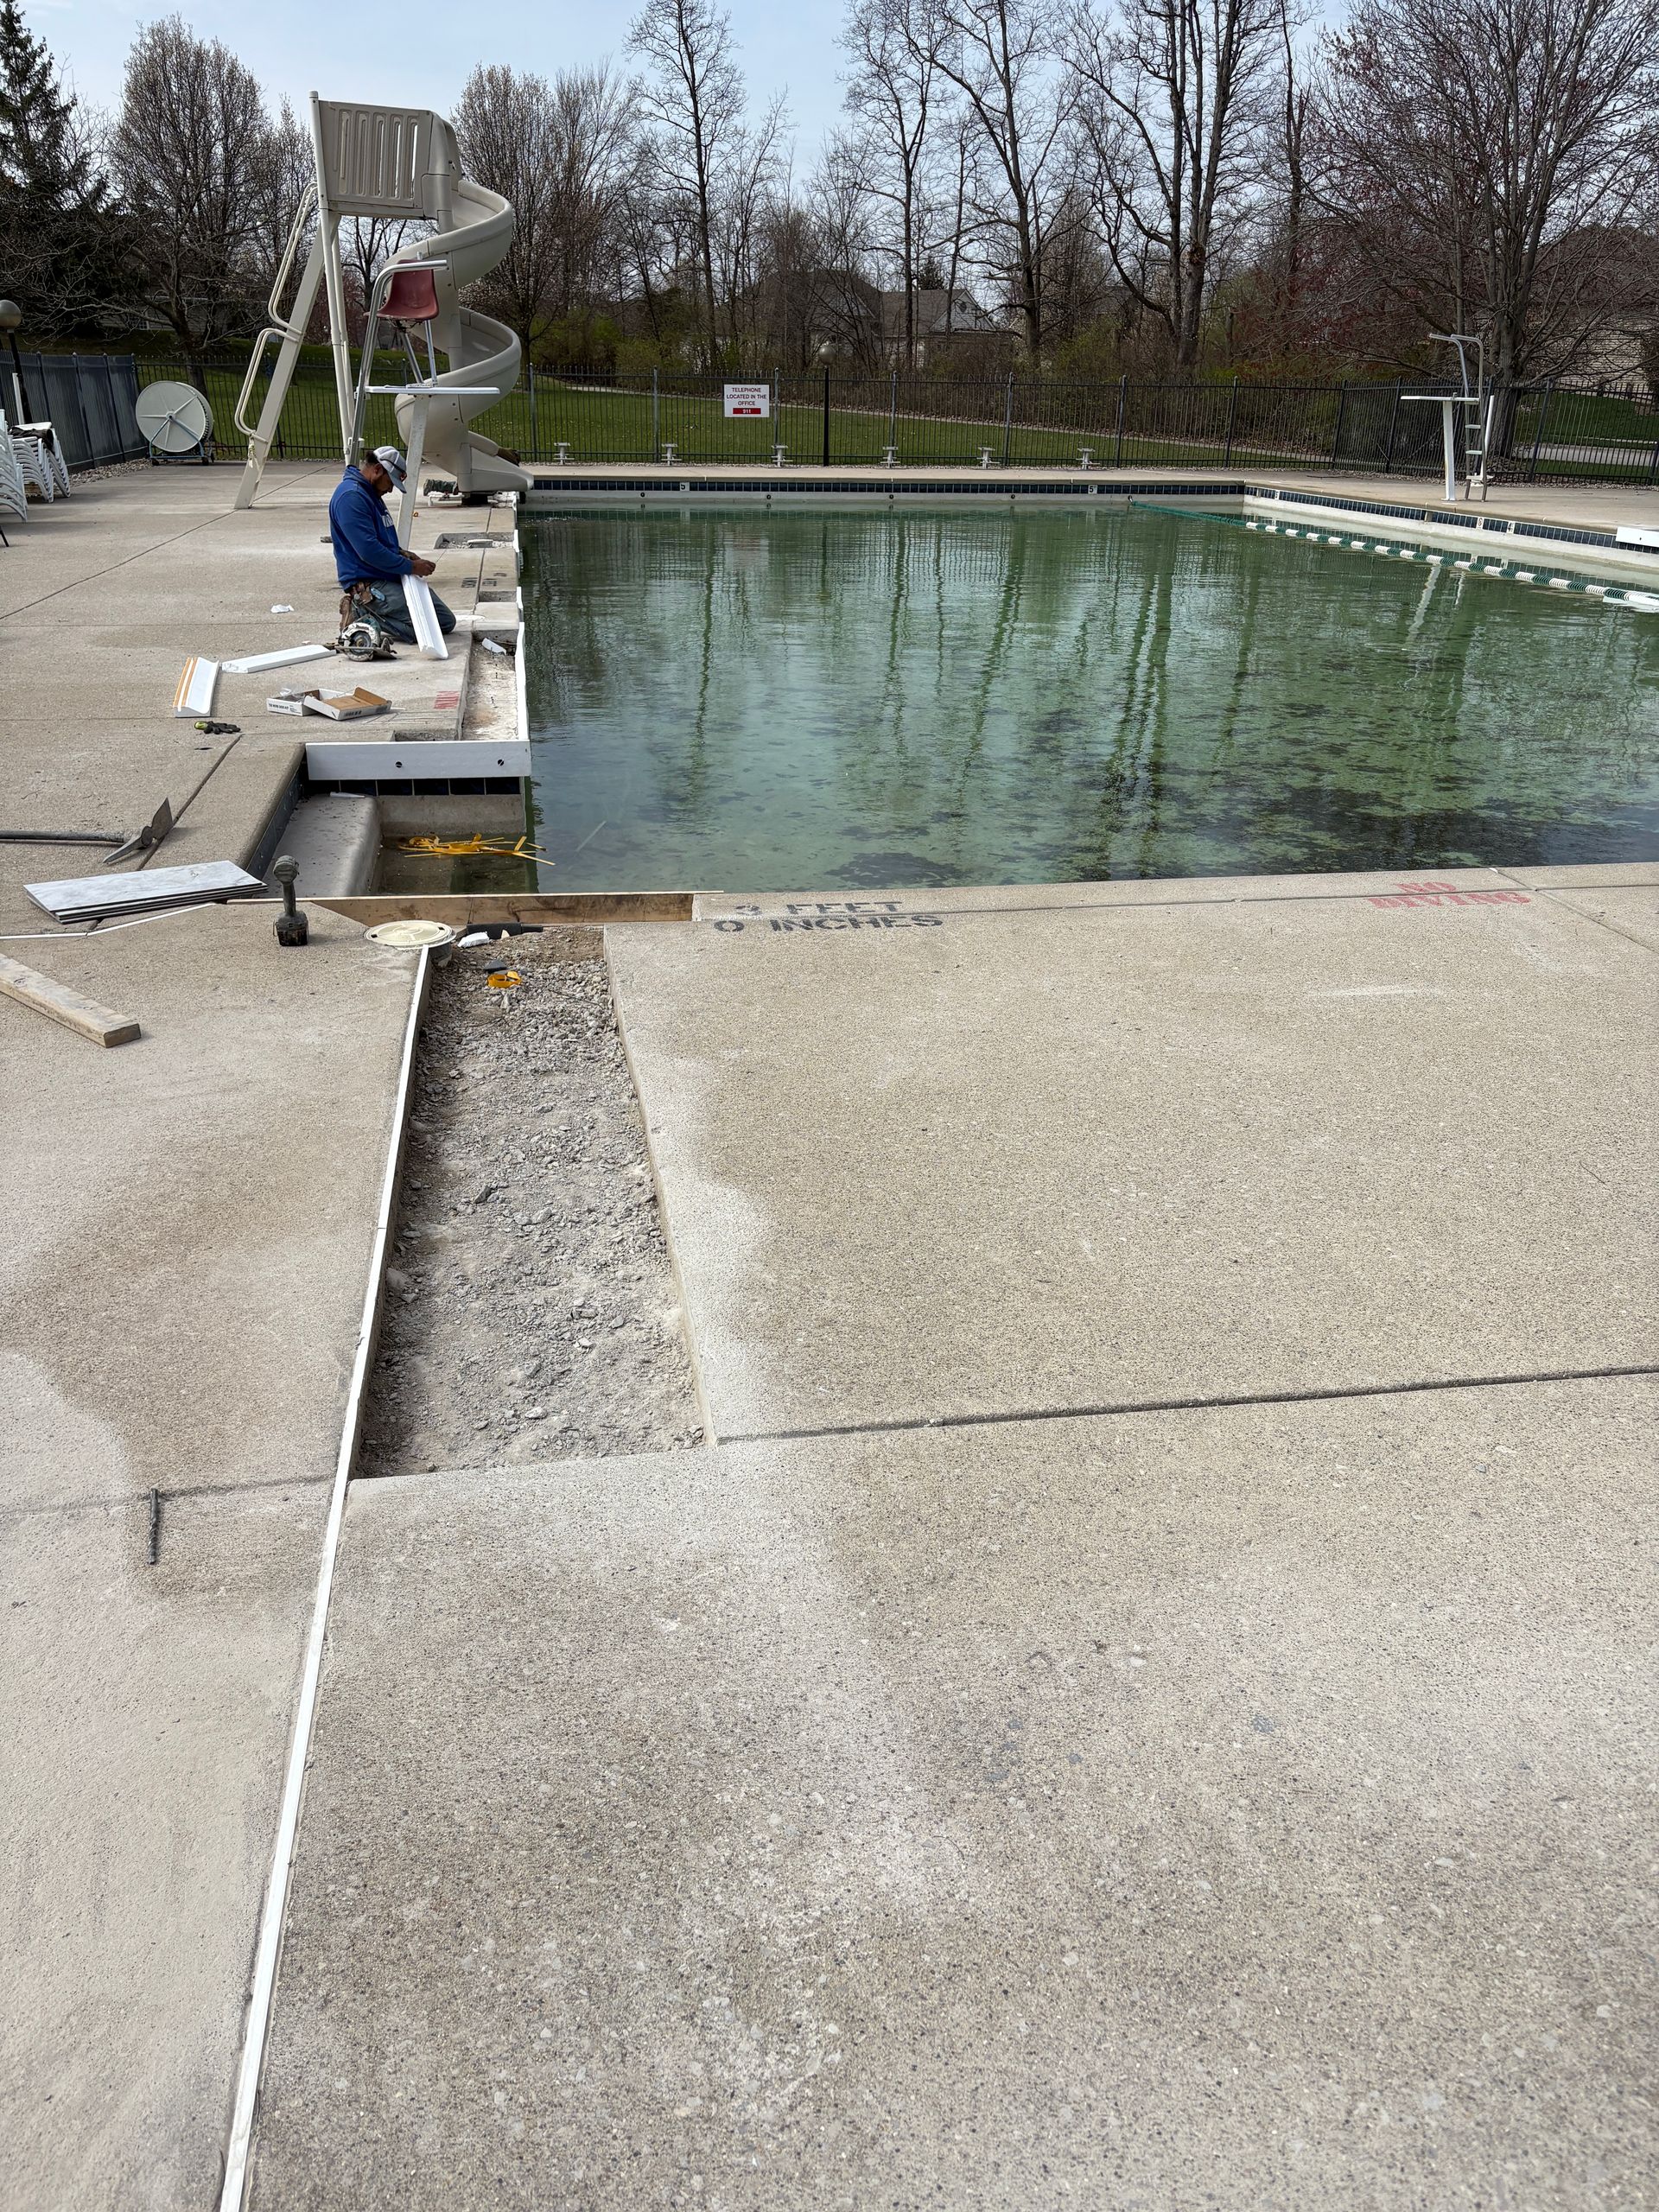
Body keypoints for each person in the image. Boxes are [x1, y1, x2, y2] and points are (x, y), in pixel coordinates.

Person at [327, 445, 456, 646]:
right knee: (430, 627)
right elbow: (369, 551)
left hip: (387, 577)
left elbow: (380, 541)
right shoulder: (352, 497)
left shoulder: (370, 493)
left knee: (445, 620)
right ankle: (360, 610)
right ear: (378, 470)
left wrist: (402, 554)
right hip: (371, 584)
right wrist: (411, 567)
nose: (390, 489)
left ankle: (371, 611)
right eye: (390, 482)